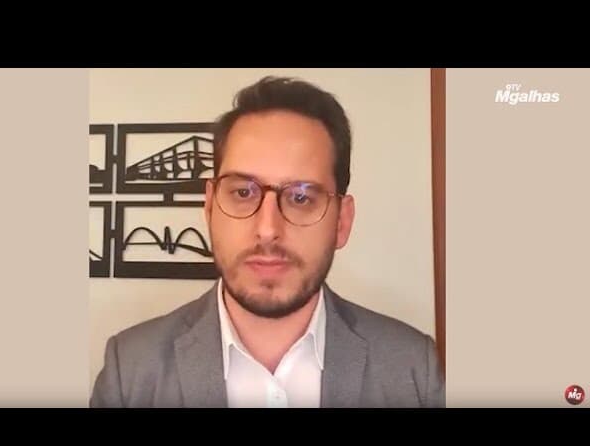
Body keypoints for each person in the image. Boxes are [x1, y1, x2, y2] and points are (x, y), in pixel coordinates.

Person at [90, 76, 445, 408]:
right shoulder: (130, 372)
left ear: (342, 221)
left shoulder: (414, 370)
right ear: (210, 207)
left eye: (301, 197)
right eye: (243, 192)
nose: (267, 229)